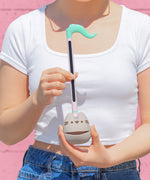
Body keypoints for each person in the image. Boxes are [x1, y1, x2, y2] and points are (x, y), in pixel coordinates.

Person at [0, 0, 150, 179]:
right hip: (46, 172)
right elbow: (7, 134)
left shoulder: (141, 28)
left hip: (118, 172)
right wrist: (36, 101)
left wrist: (109, 158)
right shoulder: (23, 29)